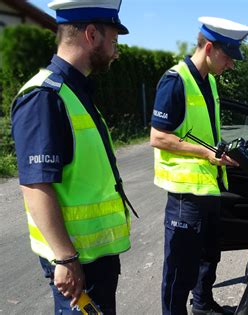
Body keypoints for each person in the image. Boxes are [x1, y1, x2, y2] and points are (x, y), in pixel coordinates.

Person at [10, 0, 135, 313]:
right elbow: (36, 186)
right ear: (92, 35)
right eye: (114, 40)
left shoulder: (74, 90)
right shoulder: (45, 97)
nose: (117, 51)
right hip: (78, 267)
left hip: (94, 262)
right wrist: (65, 258)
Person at [150, 16, 248, 315]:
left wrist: (221, 154)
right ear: (209, 48)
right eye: (229, 57)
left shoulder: (208, 81)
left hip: (209, 186)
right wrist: (206, 154)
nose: (231, 65)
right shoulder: (175, 80)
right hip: (185, 193)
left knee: (209, 255)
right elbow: (158, 138)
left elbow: (205, 132)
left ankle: (203, 305)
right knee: (180, 268)